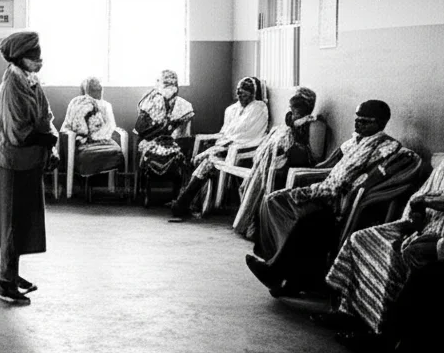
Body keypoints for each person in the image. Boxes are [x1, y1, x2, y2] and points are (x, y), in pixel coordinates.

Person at [320, 115, 444, 353]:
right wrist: (415, 211)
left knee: (395, 253)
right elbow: (422, 194)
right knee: (361, 239)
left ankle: (378, 330)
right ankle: (349, 312)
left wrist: (425, 202)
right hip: (422, 223)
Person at [246, 100, 404, 296]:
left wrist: (328, 192)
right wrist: (308, 179)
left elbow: (369, 179)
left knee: (308, 221)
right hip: (326, 193)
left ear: (380, 123)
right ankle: (281, 271)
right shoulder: (355, 141)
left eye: (364, 121)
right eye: (356, 120)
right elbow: (331, 165)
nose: (358, 125)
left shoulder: (386, 147)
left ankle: (280, 275)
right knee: (273, 201)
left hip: (347, 202)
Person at [0, 31, 58, 305]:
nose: (39, 63)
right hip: (11, 163)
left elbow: (45, 117)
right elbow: (18, 132)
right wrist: (44, 139)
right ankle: (5, 283)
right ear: (19, 59)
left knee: (22, 220)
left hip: (29, 161)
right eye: (34, 58)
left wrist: (53, 143)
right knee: (11, 224)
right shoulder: (11, 88)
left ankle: (13, 274)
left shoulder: (31, 81)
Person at [170, 76, 269, 219]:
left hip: (243, 148)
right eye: (239, 93)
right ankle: (187, 202)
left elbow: (247, 133)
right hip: (227, 145)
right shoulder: (233, 109)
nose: (241, 96)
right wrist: (217, 145)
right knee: (196, 157)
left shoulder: (258, 108)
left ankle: (182, 203)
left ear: (253, 93)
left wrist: (219, 147)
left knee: (207, 161)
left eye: (245, 93)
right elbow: (226, 132)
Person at [232, 86, 321, 239]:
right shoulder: (288, 125)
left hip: (295, 166)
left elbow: (315, 155)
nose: (294, 111)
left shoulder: (314, 125)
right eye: (293, 107)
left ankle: (263, 230)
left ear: (308, 107)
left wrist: (292, 140)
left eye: (297, 108)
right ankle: (254, 224)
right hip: (275, 164)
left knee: (272, 177)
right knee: (261, 177)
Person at [135, 69, 195, 203]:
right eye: (166, 83)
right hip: (150, 142)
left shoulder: (184, 106)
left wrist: (172, 141)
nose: (170, 87)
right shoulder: (149, 102)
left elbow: (185, 134)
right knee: (149, 151)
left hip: (174, 143)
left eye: (173, 84)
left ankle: (177, 194)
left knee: (179, 154)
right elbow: (141, 130)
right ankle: (145, 192)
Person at [61, 76, 125, 184]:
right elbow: (72, 125)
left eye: (99, 88)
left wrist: (102, 133)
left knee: (116, 151)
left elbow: (111, 126)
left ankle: (113, 186)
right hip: (83, 141)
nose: (98, 90)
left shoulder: (106, 105)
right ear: (86, 90)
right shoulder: (77, 103)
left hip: (103, 139)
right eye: (94, 89)